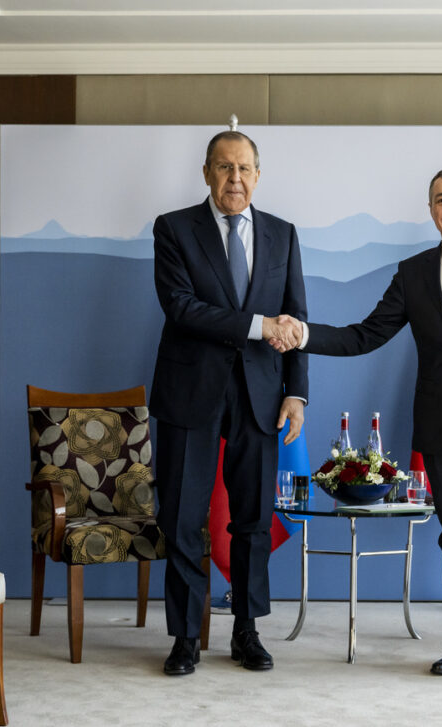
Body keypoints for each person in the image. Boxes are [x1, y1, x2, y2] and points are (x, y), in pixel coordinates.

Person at [268, 165, 442, 685]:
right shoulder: (414, 272)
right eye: (441, 200)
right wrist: (305, 333)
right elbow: (365, 334)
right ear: (431, 210)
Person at [150, 130, 308, 676]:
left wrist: (295, 392)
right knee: (183, 519)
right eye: (223, 168)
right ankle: (186, 638)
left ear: (258, 175)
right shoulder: (173, 229)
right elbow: (181, 308)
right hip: (189, 394)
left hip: (261, 396)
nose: (234, 178)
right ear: (206, 173)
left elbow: (296, 319)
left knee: (253, 522)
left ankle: (247, 631)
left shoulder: (283, 234)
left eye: (243, 168)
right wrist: (258, 326)